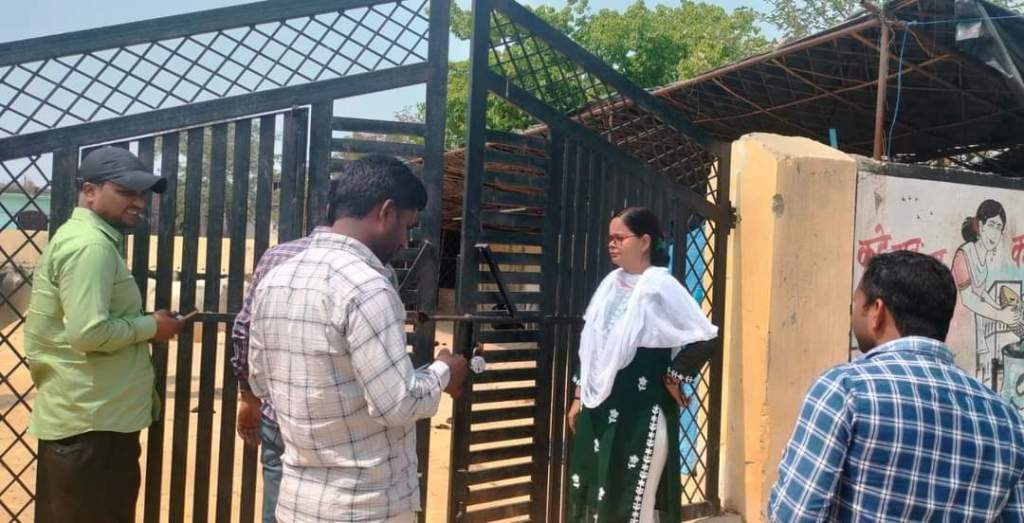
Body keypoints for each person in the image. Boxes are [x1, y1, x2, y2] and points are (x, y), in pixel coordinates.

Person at [247, 155, 469, 522]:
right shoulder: (367, 287)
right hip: (366, 507)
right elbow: (397, 403)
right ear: (386, 212)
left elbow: (260, 382)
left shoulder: (275, 279)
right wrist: (445, 370)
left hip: (296, 503)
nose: (405, 240)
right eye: (407, 226)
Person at [768, 250, 1024, 522]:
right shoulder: (1008, 420)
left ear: (877, 312)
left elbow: (793, 515)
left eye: (855, 305)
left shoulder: (844, 390)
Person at [26, 146, 182, 523]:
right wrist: (152, 327)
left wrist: (142, 327)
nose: (139, 202)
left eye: (141, 194)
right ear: (90, 191)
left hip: (91, 419)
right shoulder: (90, 246)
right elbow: (88, 333)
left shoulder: (87, 238)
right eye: (126, 191)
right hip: (91, 426)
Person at [566, 207, 718, 523]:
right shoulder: (610, 285)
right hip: (599, 409)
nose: (612, 244)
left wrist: (674, 376)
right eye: (610, 238)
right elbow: (592, 346)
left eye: (620, 237)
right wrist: (579, 396)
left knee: (632, 504)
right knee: (597, 497)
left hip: (641, 413)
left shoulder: (660, 287)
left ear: (645, 241)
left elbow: (705, 336)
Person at [230, 177, 341, 522]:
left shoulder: (277, 256)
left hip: (279, 411)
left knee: (278, 499)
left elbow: (245, 330)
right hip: (339, 422)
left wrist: (249, 397)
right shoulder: (371, 267)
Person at [950, 199, 1021, 386]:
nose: (995, 233)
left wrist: (999, 307)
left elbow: (980, 291)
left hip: (972, 324)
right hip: (956, 325)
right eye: (991, 225)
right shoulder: (963, 255)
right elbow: (968, 298)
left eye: (999, 227)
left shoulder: (982, 256)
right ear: (980, 226)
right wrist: (1000, 315)